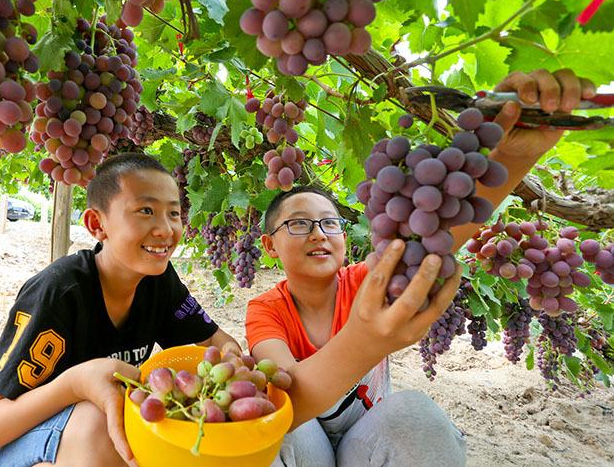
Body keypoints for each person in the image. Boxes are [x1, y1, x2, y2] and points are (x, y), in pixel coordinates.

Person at [245, 68, 597, 467]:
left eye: (330, 223)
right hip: (307, 446)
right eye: (298, 224)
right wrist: (365, 340)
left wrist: (515, 155)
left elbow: (443, 232)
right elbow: (286, 398)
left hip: (368, 440)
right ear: (270, 245)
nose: (318, 234)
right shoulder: (266, 310)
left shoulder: (369, 280)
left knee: (416, 416)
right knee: (263, 427)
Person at [0, 153, 241, 467]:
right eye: (146, 210)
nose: (165, 228)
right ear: (96, 224)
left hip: (75, 443)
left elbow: (217, 344)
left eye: (174, 213)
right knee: (99, 419)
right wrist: (75, 384)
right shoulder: (59, 293)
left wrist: (232, 374)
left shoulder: (158, 281)